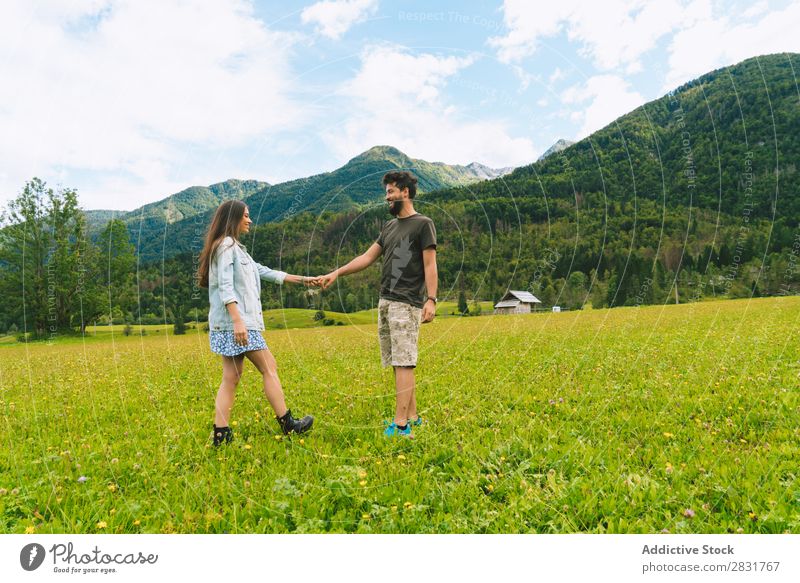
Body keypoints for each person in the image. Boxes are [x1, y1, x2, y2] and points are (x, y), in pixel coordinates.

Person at [320, 171, 437, 438]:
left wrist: (431, 299)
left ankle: (400, 426)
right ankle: (413, 417)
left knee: (404, 362)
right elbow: (367, 257)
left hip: (407, 302)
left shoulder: (423, 224)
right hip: (386, 301)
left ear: (405, 192)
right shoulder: (389, 227)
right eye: (386, 192)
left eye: (391, 192)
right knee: (399, 361)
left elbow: (430, 265)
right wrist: (337, 272)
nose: (387, 197)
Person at [197, 200, 316, 445]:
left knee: (231, 377)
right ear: (234, 218)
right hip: (238, 325)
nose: (249, 220)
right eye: (246, 216)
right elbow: (226, 287)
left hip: (227, 324)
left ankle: (221, 434)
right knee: (269, 367)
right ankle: (288, 424)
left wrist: (304, 280)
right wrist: (238, 321)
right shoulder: (227, 246)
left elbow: (265, 271)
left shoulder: (234, 248)